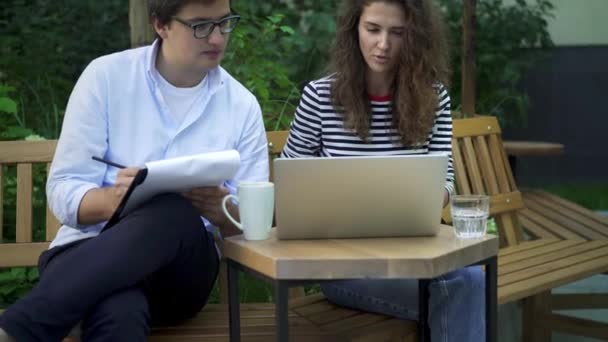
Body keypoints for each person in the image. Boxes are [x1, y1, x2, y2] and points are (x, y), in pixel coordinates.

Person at [0, 0, 268, 341]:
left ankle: (18, 328)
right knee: (119, 311)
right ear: (161, 25)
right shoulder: (106, 78)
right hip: (85, 253)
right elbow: (65, 189)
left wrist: (222, 210)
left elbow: (253, 227)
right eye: (201, 26)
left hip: (179, 277)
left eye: (224, 23)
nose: (216, 38)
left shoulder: (241, 106)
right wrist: (115, 199)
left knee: (172, 209)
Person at [281, 0, 484, 340]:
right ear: (353, 30)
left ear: (415, 37)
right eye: (373, 29)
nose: (384, 45)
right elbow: (288, 185)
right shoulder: (320, 97)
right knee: (462, 290)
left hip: (416, 260)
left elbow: (445, 179)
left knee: (470, 282)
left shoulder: (434, 98)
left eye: (398, 33)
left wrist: (435, 197)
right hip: (343, 271)